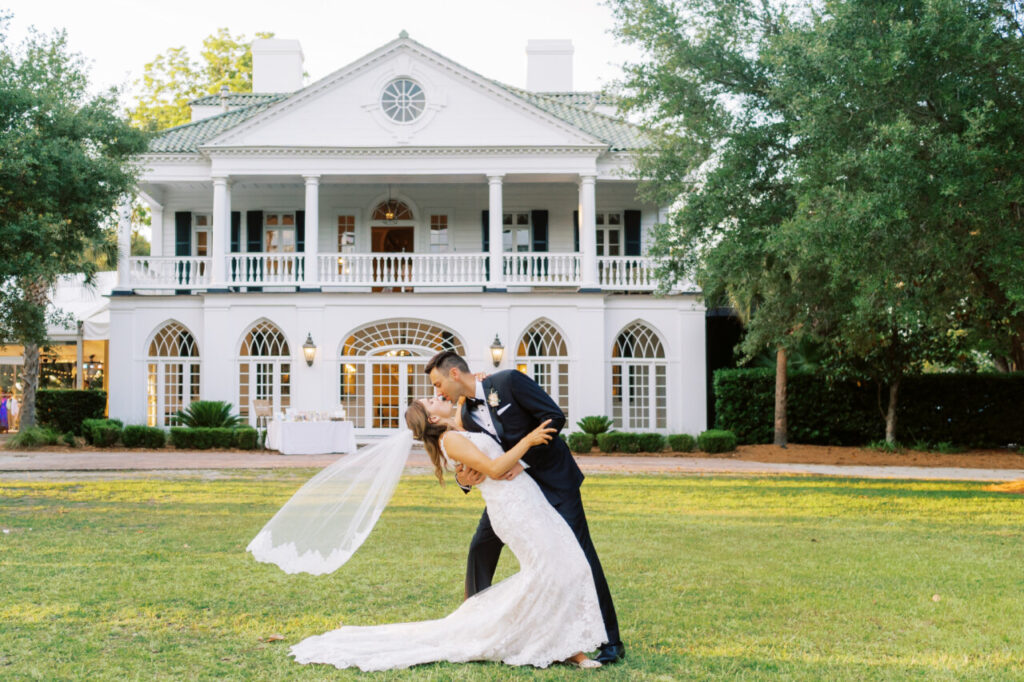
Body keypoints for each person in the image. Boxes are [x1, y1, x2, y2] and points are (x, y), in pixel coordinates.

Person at [287, 396, 605, 671]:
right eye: (431, 400)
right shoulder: (450, 440)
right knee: (552, 570)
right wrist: (529, 441)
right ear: (433, 419)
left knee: (567, 565)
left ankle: (552, 640)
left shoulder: (457, 428)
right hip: (514, 509)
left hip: (528, 500)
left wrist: (471, 386)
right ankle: (563, 648)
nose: (437, 396)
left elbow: (465, 399)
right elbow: (495, 470)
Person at [425, 350, 625, 664]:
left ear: (453, 374)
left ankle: (610, 641)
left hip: (553, 482)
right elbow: (472, 456)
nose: (437, 392)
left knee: (580, 552)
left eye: (437, 383)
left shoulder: (508, 382)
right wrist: (463, 480)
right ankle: (474, 626)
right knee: (480, 547)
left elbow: (554, 417)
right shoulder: (464, 415)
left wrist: (523, 461)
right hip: (512, 494)